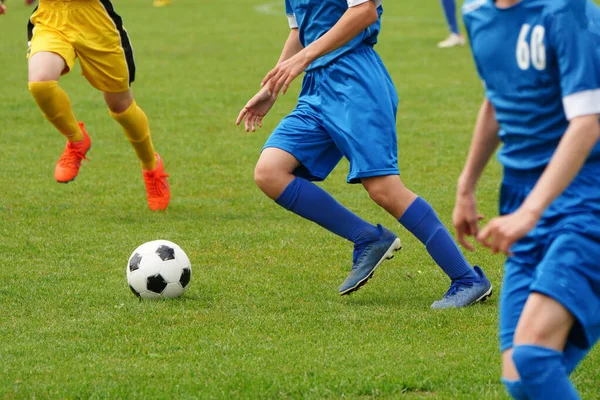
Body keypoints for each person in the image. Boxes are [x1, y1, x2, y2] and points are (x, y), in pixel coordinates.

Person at [236, 0, 491, 308]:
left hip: (355, 80)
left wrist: (304, 58)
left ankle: (467, 278)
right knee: (270, 172)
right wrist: (271, 89)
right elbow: (299, 31)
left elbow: (364, 11)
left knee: (384, 189)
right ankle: (368, 237)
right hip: (317, 87)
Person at [455, 0, 600, 398]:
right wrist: (466, 185)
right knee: (519, 375)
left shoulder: (567, 11)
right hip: (523, 200)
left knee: (533, 359)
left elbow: (588, 123)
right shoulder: (477, 14)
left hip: (587, 199)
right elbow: (496, 99)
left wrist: (531, 211)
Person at [22, 0, 170, 211]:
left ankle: (151, 166)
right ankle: (76, 140)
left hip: (95, 20)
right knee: (40, 82)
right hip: (50, 15)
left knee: (121, 107)